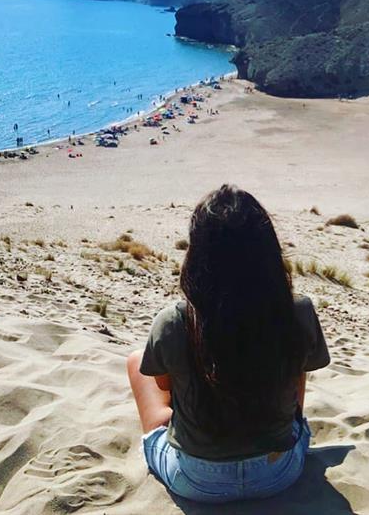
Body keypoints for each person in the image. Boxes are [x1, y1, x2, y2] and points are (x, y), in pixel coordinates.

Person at [127, 185, 330, 503]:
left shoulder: (174, 321)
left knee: (137, 363)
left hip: (197, 480)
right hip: (279, 472)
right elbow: (297, 381)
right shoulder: (298, 310)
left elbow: (165, 387)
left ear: (197, 252)